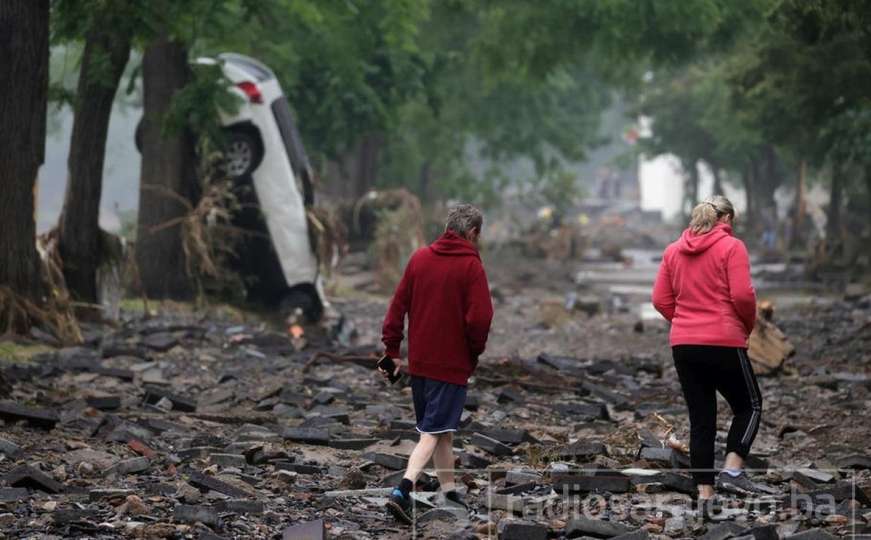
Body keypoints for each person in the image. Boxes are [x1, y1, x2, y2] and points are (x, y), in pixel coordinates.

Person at [379, 203, 494, 524]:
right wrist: (474, 351)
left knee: (443, 430)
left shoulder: (419, 259)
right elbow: (481, 319)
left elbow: (396, 307)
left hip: (421, 364)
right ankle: (402, 489)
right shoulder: (472, 268)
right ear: (472, 233)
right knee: (431, 431)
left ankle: (449, 489)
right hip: (451, 364)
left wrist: (393, 350)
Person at [652, 195, 762, 501]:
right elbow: (742, 296)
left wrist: (686, 323)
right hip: (724, 341)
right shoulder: (732, 246)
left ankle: (705, 494)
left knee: (701, 418)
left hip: (684, 345)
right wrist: (746, 326)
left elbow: (660, 299)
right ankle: (732, 471)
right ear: (726, 220)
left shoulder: (673, 250)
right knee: (749, 405)